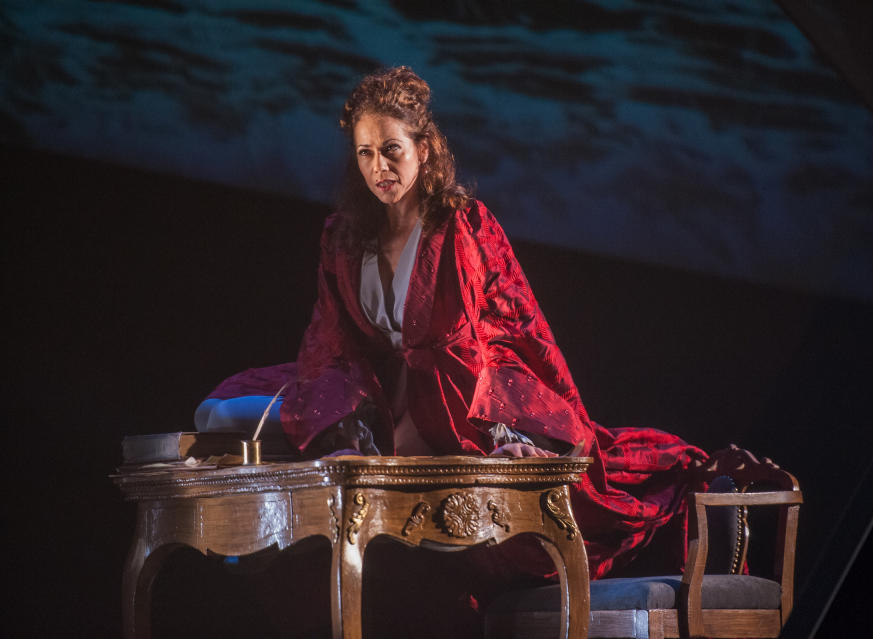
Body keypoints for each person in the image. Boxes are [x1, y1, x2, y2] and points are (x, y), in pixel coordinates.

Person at [198, 66, 705, 583]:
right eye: (365, 153)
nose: (380, 168)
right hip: (368, 396)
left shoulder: (462, 224)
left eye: (392, 149)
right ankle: (271, 527)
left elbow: (509, 333)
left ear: (423, 148)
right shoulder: (343, 237)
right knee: (214, 414)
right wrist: (341, 424)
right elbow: (330, 342)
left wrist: (506, 432)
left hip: (451, 402)